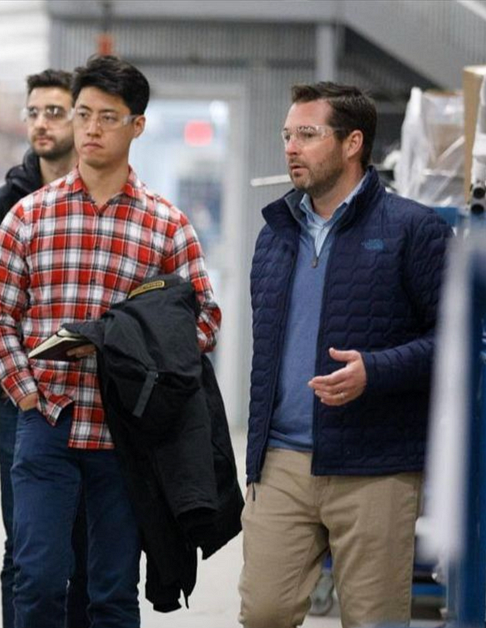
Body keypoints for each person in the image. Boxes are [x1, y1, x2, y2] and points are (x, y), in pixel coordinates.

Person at [0, 55, 220, 628]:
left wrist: (128, 346)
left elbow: (204, 322)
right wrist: (28, 395)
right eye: (83, 114)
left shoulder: (166, 225)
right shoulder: (28, 216)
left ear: (137, 125)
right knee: (36, 581)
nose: (89, 129)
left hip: (124, 435)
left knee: (111, 593)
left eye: (106, 117)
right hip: (48, 421)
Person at [238, 82, 452, 628]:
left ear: (353, 142)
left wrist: (374, 372)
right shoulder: (275, 235)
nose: (290, 147)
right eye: (288, 135)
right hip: (282, 459)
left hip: (374, 464)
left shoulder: (413, 229)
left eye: (307, 135)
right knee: (263, 612)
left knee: (374, 619)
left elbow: (453, 342)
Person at [0, 69, 89, 628]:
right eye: (34, 111)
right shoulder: (0, 208)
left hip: (97, 403)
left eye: (55, 112)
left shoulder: (106, 202)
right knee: (26, 553)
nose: (41, 123)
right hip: (21, 404)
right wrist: (9, 386)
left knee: (93, 551)